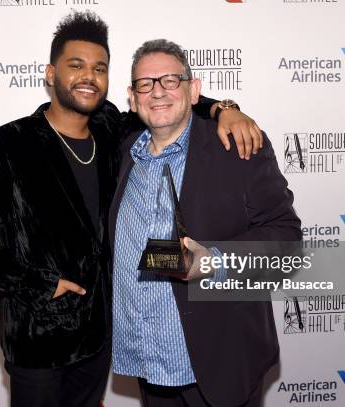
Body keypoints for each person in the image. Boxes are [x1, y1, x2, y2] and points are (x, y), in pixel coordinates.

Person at [0, 11, 263, 407]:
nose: (88, 77)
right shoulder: (7, 145)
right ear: (50, 73)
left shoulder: (113, 128)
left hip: (100, 337)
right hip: (40, 341)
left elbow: (167, 102)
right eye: (75, 65)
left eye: (99, 68)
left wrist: (224, 108)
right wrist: (39, 284)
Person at [109, 39, 302, 407]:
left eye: (170, 81)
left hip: (218, 363)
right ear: (132, 98)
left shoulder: (239, 148)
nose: (158, 93)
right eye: (145, 84)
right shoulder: (122, 153)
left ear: (193, 89)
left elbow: (287, 239)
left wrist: (212, 261)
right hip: (149, 363)